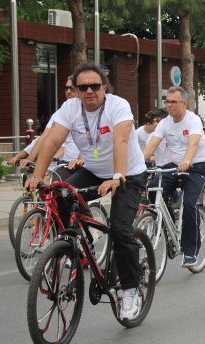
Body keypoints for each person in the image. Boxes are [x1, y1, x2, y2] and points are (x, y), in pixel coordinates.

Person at [25, 63, 148, 320]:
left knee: (120, 228)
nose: (89, 91)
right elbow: (53, 140)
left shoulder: (118, 105)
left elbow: (121, 140)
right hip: (93, 170)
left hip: (127, 173)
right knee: (59, 194)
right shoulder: (70, 108)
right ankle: (76, 246)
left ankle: (129, 291)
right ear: (77, 91)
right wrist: (38, 176)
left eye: (95, 86)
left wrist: (118, 176)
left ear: (104, 87)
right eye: (83, 87)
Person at [143, 86, 205, 268]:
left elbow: (194, 143)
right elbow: (152, 144)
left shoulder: (193, 120)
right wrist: (139, 164)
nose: (169, 105)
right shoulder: (165, 123)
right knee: (153, 188)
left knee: (189, 205)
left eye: (174, 102)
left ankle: (190, 252)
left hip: (196, 166)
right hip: (175, 166)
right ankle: (169, 225)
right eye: (167, 101)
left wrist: (188, 160)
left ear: (184, 103)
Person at [23, 76, 82, 181]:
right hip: (65, 163)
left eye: (72, 88)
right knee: (49, 188)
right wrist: (30, 160)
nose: (68, 91)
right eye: (66, 88)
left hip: (84, 163)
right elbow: (46, 137)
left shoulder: (92, 108)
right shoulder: (65, 108)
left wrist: (82, 159)